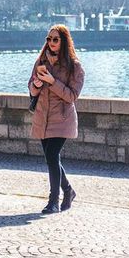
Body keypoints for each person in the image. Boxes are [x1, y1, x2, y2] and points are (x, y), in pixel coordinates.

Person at [28, 24, 85, 214]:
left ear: (63, 41)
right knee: (51, 158)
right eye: (48, 39)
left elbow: (72, 96)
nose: (51, 43)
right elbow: (31, 88)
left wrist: (53, 82)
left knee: (52, 155)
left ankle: (54, 201)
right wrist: (36, 84)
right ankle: (68, 190)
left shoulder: (74, 67)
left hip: (62, 118)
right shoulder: (41, 62)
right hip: (43, 116)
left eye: (55, 39)